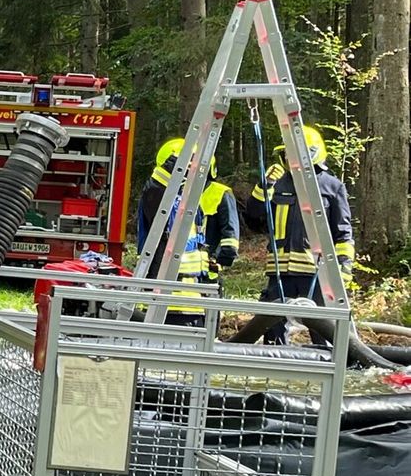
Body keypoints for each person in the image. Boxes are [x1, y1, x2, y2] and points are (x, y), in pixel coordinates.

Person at [246, 125, 353, 345]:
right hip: (280, 276)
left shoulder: (331, 186)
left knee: (325, 334)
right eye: (286, 152)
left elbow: (342, 233)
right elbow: (254, 221)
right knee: (272, 334)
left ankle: (326, 373)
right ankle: (275, 375)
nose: (288, 157)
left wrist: (344, 268)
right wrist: (262, 189)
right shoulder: (278, 184)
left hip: (316, 275)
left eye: (293, 152)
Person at [135, 138, 240, 325]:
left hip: (191, 297)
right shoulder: (161, 197)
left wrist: (218, 261)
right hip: (173, 299)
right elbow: (155, 189)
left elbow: (227, 239)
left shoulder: (187, 200)